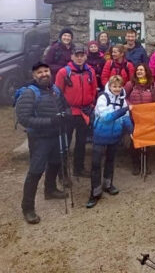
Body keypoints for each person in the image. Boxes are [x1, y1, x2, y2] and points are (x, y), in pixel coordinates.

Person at [15, 62, 70, 224]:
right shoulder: (29, 93)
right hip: (39, 138)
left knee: (55, 163)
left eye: (46, 71)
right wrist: (50, 121)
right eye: (39, 72)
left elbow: (65, 106)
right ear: (34, 75)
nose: (44, 74)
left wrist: (65, 115)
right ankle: (27, 208)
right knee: (36, 171)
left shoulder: (55, 90)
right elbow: (24, 119)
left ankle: (50, 190)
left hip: (56, 135)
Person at [86, 75, 133, 208]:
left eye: (119, 86)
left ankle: (108, 184)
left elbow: (126, 118)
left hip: (115, 136)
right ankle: (95, 193)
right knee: (96, 164)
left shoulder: (123, 100)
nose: (117, 89)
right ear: (110, 86)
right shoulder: (103, 98)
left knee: (110, 161)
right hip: (101, 135)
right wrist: (124, 110)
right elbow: (106, 117)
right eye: (114, 86)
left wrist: (131, 131)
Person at [55, 46, 98, 178]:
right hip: (69, 112)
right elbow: (57, 93)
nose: (79, 58)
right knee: (65, 144)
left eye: (82, 55)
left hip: (84, 112)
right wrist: (62, 110)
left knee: (81, 142)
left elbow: (94, 89)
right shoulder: (63, 72)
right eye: (77, 55)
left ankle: (78, 169)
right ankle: (62, 173)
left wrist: (91, 104)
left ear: (85, 56)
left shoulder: (90, 71)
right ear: (72, 56)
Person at [124, 63, 155, 175]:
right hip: (134, 117)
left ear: (146, 72)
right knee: (135, 141)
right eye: (137, 70)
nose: (139, 72)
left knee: (147, 142)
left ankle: (145, 164)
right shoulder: (130, 84)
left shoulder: (152, 85)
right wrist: (130, 105)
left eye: (142, 70)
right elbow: (123, 97)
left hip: (147, 118)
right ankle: (135, 164)